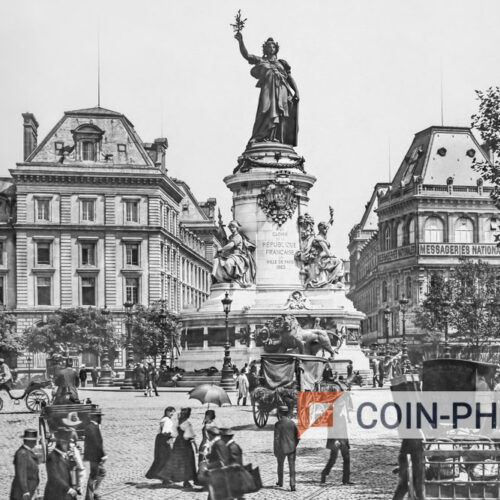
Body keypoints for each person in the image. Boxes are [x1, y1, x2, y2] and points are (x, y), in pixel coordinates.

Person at [234, 31, 299, 146]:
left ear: (276, 49)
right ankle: (258, 137)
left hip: (282, 91)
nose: (272, 48)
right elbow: (246, 55)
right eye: (269, 46)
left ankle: (276, 138)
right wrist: (241, 41)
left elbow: (289, 77)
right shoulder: (261, 60)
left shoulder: (281, 63)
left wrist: (296, 91)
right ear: (265, 48)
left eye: (274, 46)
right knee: (264, 110)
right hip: (268, 90)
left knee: (280, 113)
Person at [212, 220, 256, 288]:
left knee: (228, 263)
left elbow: (231, 245)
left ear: (237, 228)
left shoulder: (238, 236)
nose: (231, 228)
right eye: (230, 227)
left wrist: (222, 249)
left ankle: (234, 279)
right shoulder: (231, 237)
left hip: (238, 256)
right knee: (216, 261)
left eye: (233, 227)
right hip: (230, 255)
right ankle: (219, 278)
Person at [44, 428, 78, 499]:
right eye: (68, 443)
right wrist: (68, 489)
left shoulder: (65, 456)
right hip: (54, 495)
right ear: (62, 443)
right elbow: (54, 477)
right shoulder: (52, 457)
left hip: (65, 494)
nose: (70, 446)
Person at [167, 407, 197, 489]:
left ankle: (173, 477)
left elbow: (174, 432)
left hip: (178, 443)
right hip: (185, 444)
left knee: (179, 461)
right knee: (188, 462)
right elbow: (189, 436)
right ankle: (186, 481)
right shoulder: (188, 423)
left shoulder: (177, 422)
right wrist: (196, 446)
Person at [146, 406, 176, 485]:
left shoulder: (164, 419)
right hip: (164, 440)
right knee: (167, 458)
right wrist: (173, 436)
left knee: (162, 458)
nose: (172, 414)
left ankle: (162, 477)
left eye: (173, 412)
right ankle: (165, 478)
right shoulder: (167, 420)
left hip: (160, 440)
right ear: (167, 412)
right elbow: (165, 432)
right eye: (171, 412)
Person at [10, 428, 40, 500]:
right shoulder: (22, 453)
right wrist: (25, 490)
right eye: (34, 441)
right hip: (22, 493)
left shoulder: (28, 452)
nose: (36, 443)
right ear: (29, 441)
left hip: (29, 490)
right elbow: (22, 473)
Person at [84, 408, 107, 500]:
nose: (101, 418)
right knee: (94, 476)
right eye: (99, 417)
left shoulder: (93, 426)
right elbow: (96, 443)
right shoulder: (92, 428)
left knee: (101, 473)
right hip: (95, 456)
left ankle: (94, 492)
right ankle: (90, 496)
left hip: (94, 455)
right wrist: (103, 455)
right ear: (95, 417)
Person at [274, 405, 298, 491]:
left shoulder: (278, 424)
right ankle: (293, 484)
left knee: (280, 465)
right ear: (287, 413)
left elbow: (276, 439)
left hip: (281, 448)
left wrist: (275, 450)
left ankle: (280, 482)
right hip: (292, 448)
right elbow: (298, 436)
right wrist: (294, 444)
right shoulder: (292, 423)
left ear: (280, 413)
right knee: (292, 466)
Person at [61, 412, 85, 495]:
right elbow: (73, 443)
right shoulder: (74, 432)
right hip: (72, 451)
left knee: (69, 469)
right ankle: (79, 487)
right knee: (81, 469)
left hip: (65, 451)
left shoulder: (65, 431)